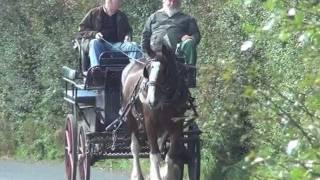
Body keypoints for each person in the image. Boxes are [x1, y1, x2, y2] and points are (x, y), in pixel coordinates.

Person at [78, 0, 141, 70]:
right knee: (94, 42)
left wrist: (127, 36)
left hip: (118, 46)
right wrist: (94, 34)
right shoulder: (94, 13)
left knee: (134, 46)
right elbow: (82, 30)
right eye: (118, 1)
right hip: (101, 45)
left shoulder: (122, 15)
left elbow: (128, 30)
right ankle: (96, 71)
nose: (120, 2)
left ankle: (135, 72)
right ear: (109, 1)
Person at [141, 0, 201, 65]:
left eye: (175, 1)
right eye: (170, 1)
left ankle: (190, 71)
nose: (172, 4)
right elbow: (145, 37)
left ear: (179, 2)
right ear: (164, 1)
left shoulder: (187, 19)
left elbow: (196, 35)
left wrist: (191, 38)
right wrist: (147, 55)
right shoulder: (153, 17)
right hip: (156, 52)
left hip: (177, 52)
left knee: (189, 43)